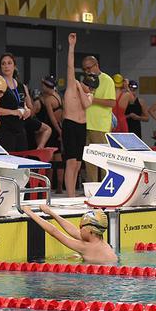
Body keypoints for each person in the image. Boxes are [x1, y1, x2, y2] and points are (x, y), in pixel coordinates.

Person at [22, 204, 117, 264]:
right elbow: (74, 231)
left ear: (90, 230)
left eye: (81, 227)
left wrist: (30, 213)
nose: (79, 229)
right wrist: (50, 213)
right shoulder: (98, 241)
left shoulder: (86, 247)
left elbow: (55, 232)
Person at [62, 33, 93, 198]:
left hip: (82, 127)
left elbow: (87, 104)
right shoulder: (71, 87)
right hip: (70, 125)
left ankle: (72, 193)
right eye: (88, 85)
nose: (90, 89)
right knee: (71, 161)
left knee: (78, 163)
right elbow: (70, 66)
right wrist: (71, 46)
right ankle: (70, 195)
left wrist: (83, 90)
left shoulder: (87, 94)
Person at [81, 55, 116, 182]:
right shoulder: (86, 80)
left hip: (100, 126)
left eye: (89, 68)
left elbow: (111, 102)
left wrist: (91, 98)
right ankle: (92, 187)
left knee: (103, 159)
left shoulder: (107, 80)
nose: (87, 71)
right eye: (84, 69)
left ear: (96, 65)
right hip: (86, 123)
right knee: (89, 160)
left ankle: (105, 186)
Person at [0, 52, 33, 152]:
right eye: (3, 63)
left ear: (14, 66)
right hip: (4, 130)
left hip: (19, 130)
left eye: (9, 63)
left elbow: (24, 105)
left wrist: (27, 111)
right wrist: (13, 112)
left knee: (22, 161)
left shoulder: (21, 86)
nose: (6, 66)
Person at [39, 74, 64, 192]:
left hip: (53, 129)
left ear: (45, 86)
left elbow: (52, 118)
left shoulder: (48, 99)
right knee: (58, 158)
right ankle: (59, 186)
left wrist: (58, 131)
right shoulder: (57, 96)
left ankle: (48, 186)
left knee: (49, 158)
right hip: (59, 127)